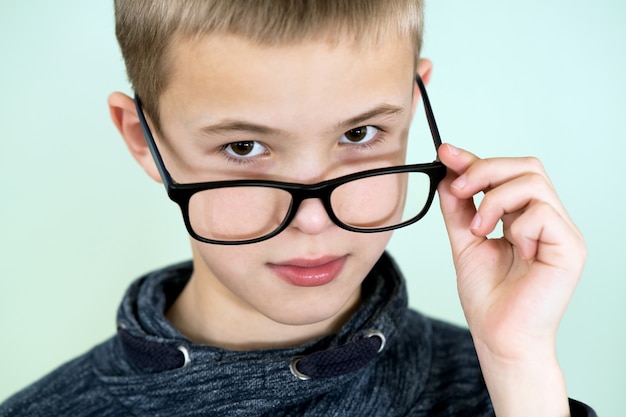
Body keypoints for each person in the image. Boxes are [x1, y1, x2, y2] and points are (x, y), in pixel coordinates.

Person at [0, 1, 596, 416]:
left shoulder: (514, 389)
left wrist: (519, 372)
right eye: (244, 147)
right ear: (142, 139)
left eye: (360, 134)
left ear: (415, 104)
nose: (316, 220)